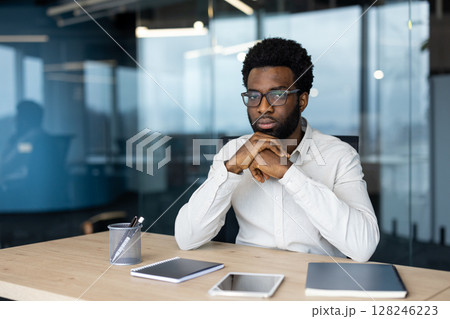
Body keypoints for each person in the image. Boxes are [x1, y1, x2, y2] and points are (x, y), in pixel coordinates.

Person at [174, 37, 379, 262]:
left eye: (278, 95)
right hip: (249, 277)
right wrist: (231, 168)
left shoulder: (339, 155)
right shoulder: (232, 153)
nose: (263, 107)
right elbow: (187, 239)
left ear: (302, 101)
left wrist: (287, 173)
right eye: (254, 96)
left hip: (314, 279)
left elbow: (362, 247)